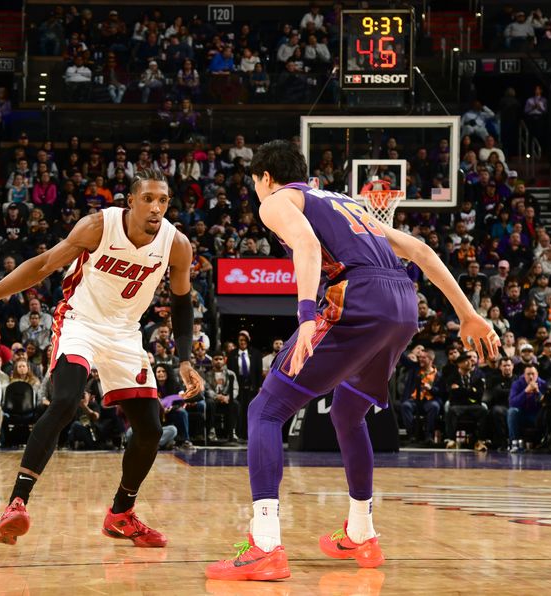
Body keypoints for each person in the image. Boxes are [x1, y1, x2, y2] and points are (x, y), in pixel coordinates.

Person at [206, 141, 498, 581]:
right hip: (403, 303)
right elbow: (418, 250)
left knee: (264, 410)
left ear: (265, 177)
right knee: (347, 412)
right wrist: (467, 313)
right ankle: (361, 531)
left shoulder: (277, 200)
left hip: (358, 295)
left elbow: (304, 245)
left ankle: (264, 545)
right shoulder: (347, 202)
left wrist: (306, 316)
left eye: (255, 182)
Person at [0, 169, 203, 546]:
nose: (156, 207)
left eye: (163, 200)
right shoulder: (98, 226)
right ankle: (16, 502)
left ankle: (121, 514)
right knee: (66, 401)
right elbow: (42, 265)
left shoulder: (176, 244)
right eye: (148, 198)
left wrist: (184, 359)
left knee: (149, 429)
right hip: (80, 319)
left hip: (125, 334)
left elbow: (182, 301)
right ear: (130, 201)